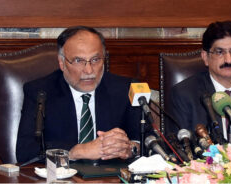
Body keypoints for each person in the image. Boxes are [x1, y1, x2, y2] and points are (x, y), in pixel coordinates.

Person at [16, 26, 141, 163]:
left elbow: (150, 142)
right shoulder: (40, 92)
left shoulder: (125, 89)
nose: (88, 70)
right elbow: (25, 151)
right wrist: (77, 151)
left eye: (95, 59)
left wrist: (130, 149)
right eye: (78, 61)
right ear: (62, 63)